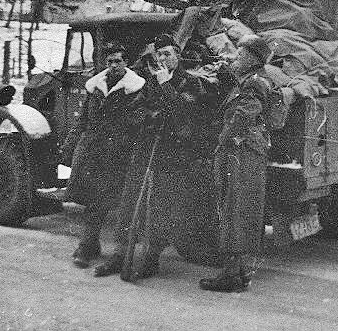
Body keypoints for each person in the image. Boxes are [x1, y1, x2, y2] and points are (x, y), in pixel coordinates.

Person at [94, 34, 220, 278]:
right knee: (130, 203)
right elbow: (135, 109)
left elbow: (184, 114)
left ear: (177, 55)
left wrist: (165, 86)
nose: (162, 59)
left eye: (167, 54)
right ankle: (120, 256)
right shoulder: (150, 82)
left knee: (161, 209)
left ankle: (150, 259)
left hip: (172, 156)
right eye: (159, 55)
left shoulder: (192, 83)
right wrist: (149, 117)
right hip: (146, 148)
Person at [62, 44, 149, 269]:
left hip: (120, 153)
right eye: (109, 61)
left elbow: (139, 121)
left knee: (121, 202)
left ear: (126, 63)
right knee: (92, 198)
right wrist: (70, 145)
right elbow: (82, 119)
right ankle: (88, 245)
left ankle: (119, 254)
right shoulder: (96, 86)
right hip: (93, 151)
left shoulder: (135, 88)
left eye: (118, 61)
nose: (113, 66)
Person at [199, 34, 273, 293]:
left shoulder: (254, 84)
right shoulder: (252, 80)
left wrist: (223, 138)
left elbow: (244, 114)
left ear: (252, 59)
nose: (236, 58)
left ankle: (231, 275)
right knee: (240, 210)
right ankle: (239, 272)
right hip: (247, 151)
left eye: (240, 55)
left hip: (239, 151)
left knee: (232, 210)